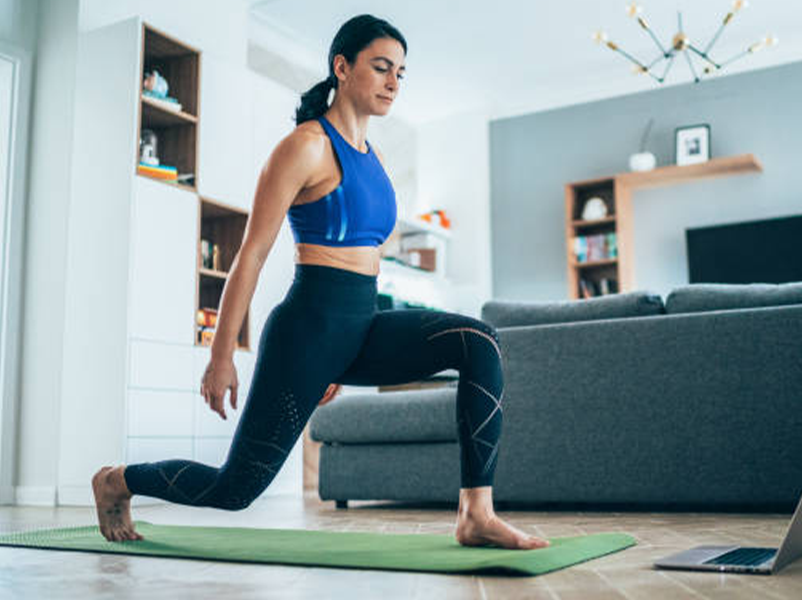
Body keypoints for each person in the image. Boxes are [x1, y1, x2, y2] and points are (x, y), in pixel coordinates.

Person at [92, 14, 550, 551]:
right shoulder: (306, 146)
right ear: (342, 67)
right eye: (381, 68)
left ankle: (476, 513)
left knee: (479, 342)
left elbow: (369, 260)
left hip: (362, 325)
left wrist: (347, 355)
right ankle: (116, 480)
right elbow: (251, 253)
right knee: (235, 487)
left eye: (401, 73)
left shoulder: (374, 159)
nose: (393, 82)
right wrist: (221, 355)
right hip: (308, 332)